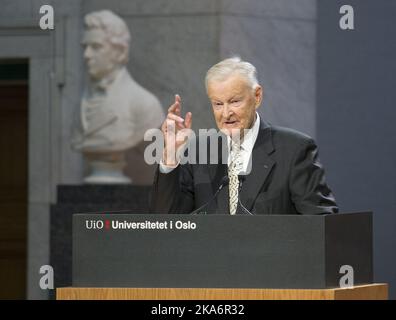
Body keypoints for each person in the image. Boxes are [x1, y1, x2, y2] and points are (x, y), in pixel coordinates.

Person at [150, 57, 338, 215]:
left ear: (257, 96)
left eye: (234, 102)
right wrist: (170, 157)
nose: (225, 113)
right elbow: (166, 224)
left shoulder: (294, 150)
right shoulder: (198, 153)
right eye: (217, 104)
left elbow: (321, 224)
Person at [71, 10, 164, 183]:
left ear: (120, 52)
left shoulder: (145, 104)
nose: (87, 55)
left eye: (96, 47)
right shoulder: (81, 102)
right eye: (85, 47)